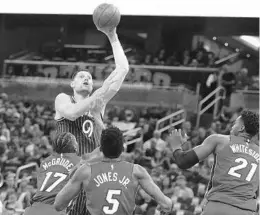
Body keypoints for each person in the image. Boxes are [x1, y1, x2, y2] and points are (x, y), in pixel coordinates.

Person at [54, 23, 129, 214]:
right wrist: (98, 95)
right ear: (72, 83)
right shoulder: (63, 98)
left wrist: (112, 36)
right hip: (66, 172)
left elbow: (122, 69)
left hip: (91, 172)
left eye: (89, 77)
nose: (86, 78)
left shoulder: (98, 104)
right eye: (81, 76)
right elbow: (72, 113)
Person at [54, 127, 174, 215]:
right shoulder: (137, 171)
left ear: (101, 148)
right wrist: (164, 206)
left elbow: (58, 205)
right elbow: (167, 204)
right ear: (122, 148)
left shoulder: (85, 171)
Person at [169, 110, 259, 215]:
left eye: (235, 124)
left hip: (218, 206)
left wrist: (176, 146)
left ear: (241, 128)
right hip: (247, 211)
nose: (232, 126)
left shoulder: (220, 140)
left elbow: (183, 162)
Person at [23, 132, 81, 215]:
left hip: (32, 210)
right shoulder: (79, 162)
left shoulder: (45, 161)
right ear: (74, 147)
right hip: (55, 210)